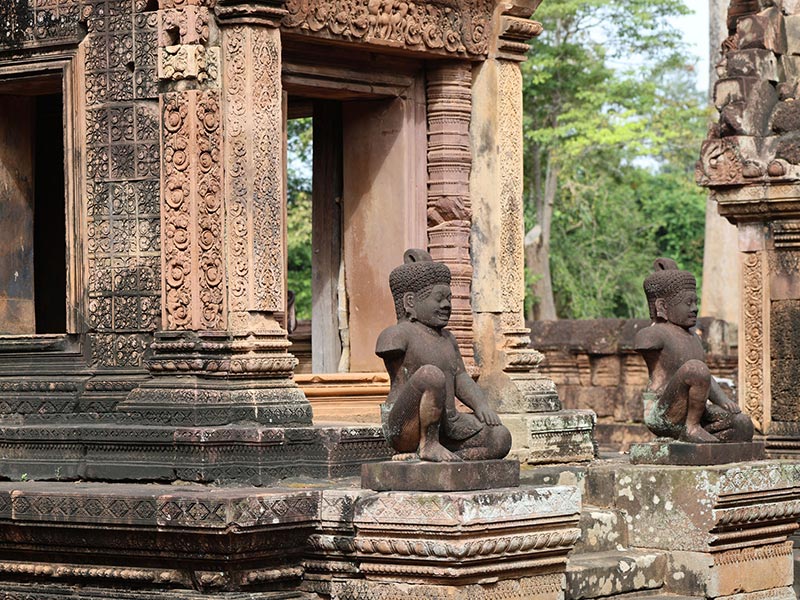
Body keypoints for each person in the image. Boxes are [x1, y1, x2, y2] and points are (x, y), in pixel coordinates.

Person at [376, 249, 512, 461]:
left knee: (500, 437)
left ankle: (450, 460)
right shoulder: (397, 335)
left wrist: (481, 405)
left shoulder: (449, 339)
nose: (446, 305)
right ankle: (428, 446)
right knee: (431, 375)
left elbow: (460, 377)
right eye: (439, 299)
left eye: (449, 298)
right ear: (410, 302)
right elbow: (386, 348)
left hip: (448, 425)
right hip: (405, 426)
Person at [634, 258, 753, 443]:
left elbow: (705, 378)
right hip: (662, 413)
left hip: (696, 409)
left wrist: (723, 400)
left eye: (695, 302)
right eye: (688, 303)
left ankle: (698, 434)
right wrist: (655, 321)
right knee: (695, 369)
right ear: (663, 306)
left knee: (743, 423)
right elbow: (642, 342)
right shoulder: (655, 334)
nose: (695, 309)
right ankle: (691, 428)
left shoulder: (693, 337)